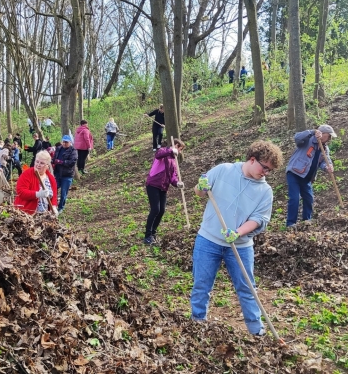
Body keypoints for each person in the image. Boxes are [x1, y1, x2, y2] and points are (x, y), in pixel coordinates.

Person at [190, 140, 284, 336]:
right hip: (208, 240)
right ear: (252, 159)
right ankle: (197, 325)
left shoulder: (265, 191)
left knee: (247, 288)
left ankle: (257, 331)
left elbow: (259, 219)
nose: (266, 173)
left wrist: (238, 233)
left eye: (270, 170)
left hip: (240, 247)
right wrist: (201, 186)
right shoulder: (223, 170)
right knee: (201, 285)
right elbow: (200, 192)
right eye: (264, 167)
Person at [285, 125, 336, 227]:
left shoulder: (325, 149)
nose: (329, 139)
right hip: (294, 173)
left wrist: (328, 167)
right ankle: (291, 223)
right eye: (329, 136)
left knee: (309, 198)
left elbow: (323, 162)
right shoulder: (308, 139)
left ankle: (306, 221)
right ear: (322, 133)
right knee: (295, 198)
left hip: (307, 178)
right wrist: (312, 132)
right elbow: (297, 137)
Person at [143, 139, 185, 245]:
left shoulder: (174, 161)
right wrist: (171, 150)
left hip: (163, 187)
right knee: (155, 209)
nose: (180, 152)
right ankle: (147, 236)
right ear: (176, 145)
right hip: (153, 184)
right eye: (180, 149)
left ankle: (153, 233)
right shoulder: (163, 151)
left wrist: (177, 183)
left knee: (161, 210)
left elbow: (173, 176)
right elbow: (158, 155)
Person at [14, 150, 58, 215]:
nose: (38, 165)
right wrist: (37, 194)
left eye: (42, 163)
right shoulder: (27, 174)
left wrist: (54, 206)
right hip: (25, 213)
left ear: (47, 166)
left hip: (44, 214)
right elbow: (21, 192)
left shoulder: (51, 178)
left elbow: (54, 196)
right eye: (37, 161)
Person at [52, 135, 78, 213]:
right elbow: (54, 159)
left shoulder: (73, 151)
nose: (64, 143)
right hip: (57, 173)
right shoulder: (59, 148)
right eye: (63, 142)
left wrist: (62, 162)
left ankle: (61, 207)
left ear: (70, 142)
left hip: (67, 174)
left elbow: (72, 162)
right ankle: (53, 205)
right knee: (54, 189)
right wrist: (52, 162)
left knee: (63, 192)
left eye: (66, 142)